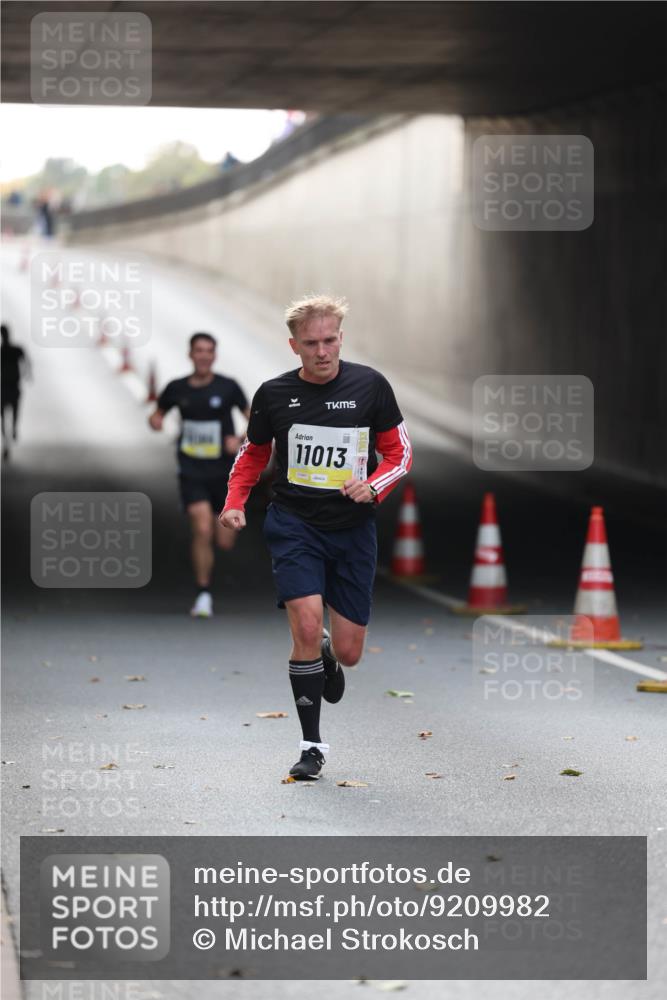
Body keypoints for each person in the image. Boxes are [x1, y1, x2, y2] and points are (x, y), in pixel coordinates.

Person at [220, 295, 412, 779]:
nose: (322, 351)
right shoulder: (273, 394)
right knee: (304, 627)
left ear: (341, 339)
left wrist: (373, 486)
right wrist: (235, 502)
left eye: (330, 341)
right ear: (294, 346)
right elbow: (252, 454)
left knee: (348, 651)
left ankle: (329, 653)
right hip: (294, 523)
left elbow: (400, 454)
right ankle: (312, 747)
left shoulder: (370, 386)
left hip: (352, 529)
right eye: (311, 343)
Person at [149, 332, 250, 617]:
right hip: (192, 471)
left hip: (226, 474)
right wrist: (155, 421)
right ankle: (203, 593)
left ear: (214, 355)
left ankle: (227, 536)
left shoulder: (228, 387)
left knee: (224, 540)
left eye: (209, 351)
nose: (204, 355)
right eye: (198, 350)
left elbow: (254, 417)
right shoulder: (177, 388)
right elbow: (156, 414)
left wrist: (241, 438)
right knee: (202, 528)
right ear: (190, 354)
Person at [1, 323, 31, 458]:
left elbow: (26, 361)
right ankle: (11, 432)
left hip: (8, 386)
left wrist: (27, 373)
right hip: (9, 386)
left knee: (6, 413)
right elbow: (26, 361)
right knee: (13, 410)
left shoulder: (9, 350)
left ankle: (10, 433)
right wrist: (26, 374)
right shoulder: (14, 350)